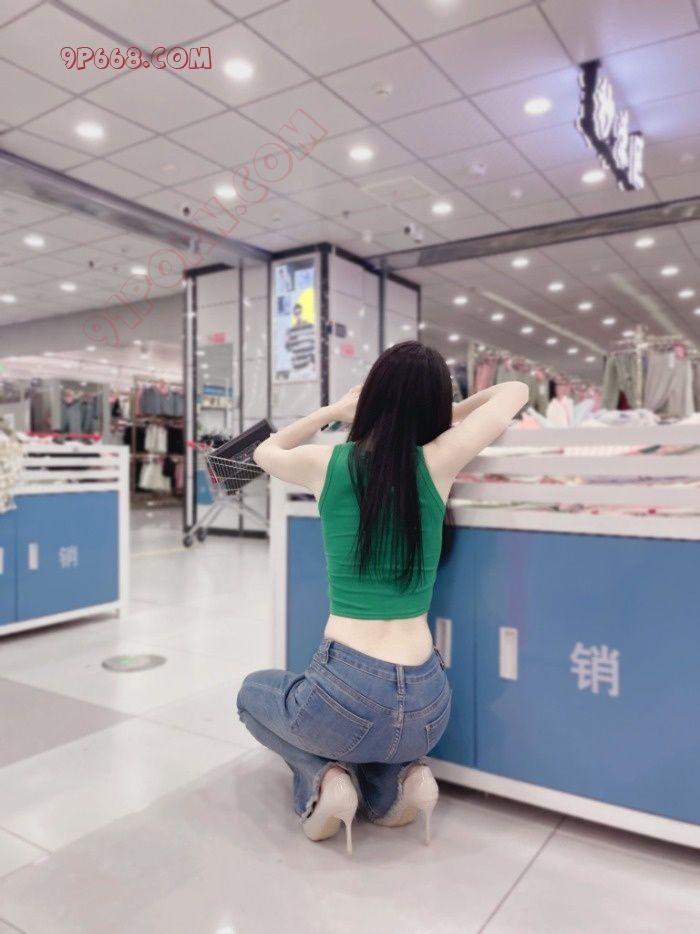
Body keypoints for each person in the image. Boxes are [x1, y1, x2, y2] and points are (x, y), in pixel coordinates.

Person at [238, 341, 528, 855]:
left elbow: (263, 452)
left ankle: (323, 781)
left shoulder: (326, 463)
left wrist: (332, 411)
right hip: (429, 706)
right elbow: (515, 390)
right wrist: (449, 416)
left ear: (370, 398)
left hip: (345, 694)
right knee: (377, 732)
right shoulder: (440, 460)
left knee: (252, 694)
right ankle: (401, 782)